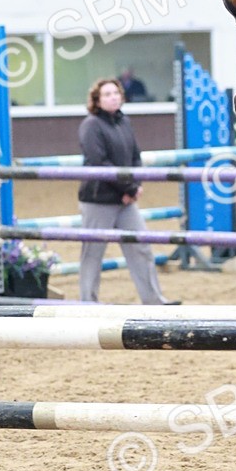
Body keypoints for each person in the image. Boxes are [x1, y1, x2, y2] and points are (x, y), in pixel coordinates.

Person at [77, 78, 178, 303]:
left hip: (125, 199)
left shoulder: (124, 122)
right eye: (107, 94)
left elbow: (135, 156)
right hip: (98, 200)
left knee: (141, 247)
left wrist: (134, 187)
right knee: (93, 253)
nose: (113, 97)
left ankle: (154, 301)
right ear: (97, 100)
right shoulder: (91, 125)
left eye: (116, 93)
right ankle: (87, 303)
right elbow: (98, 162)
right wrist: (129, 187)